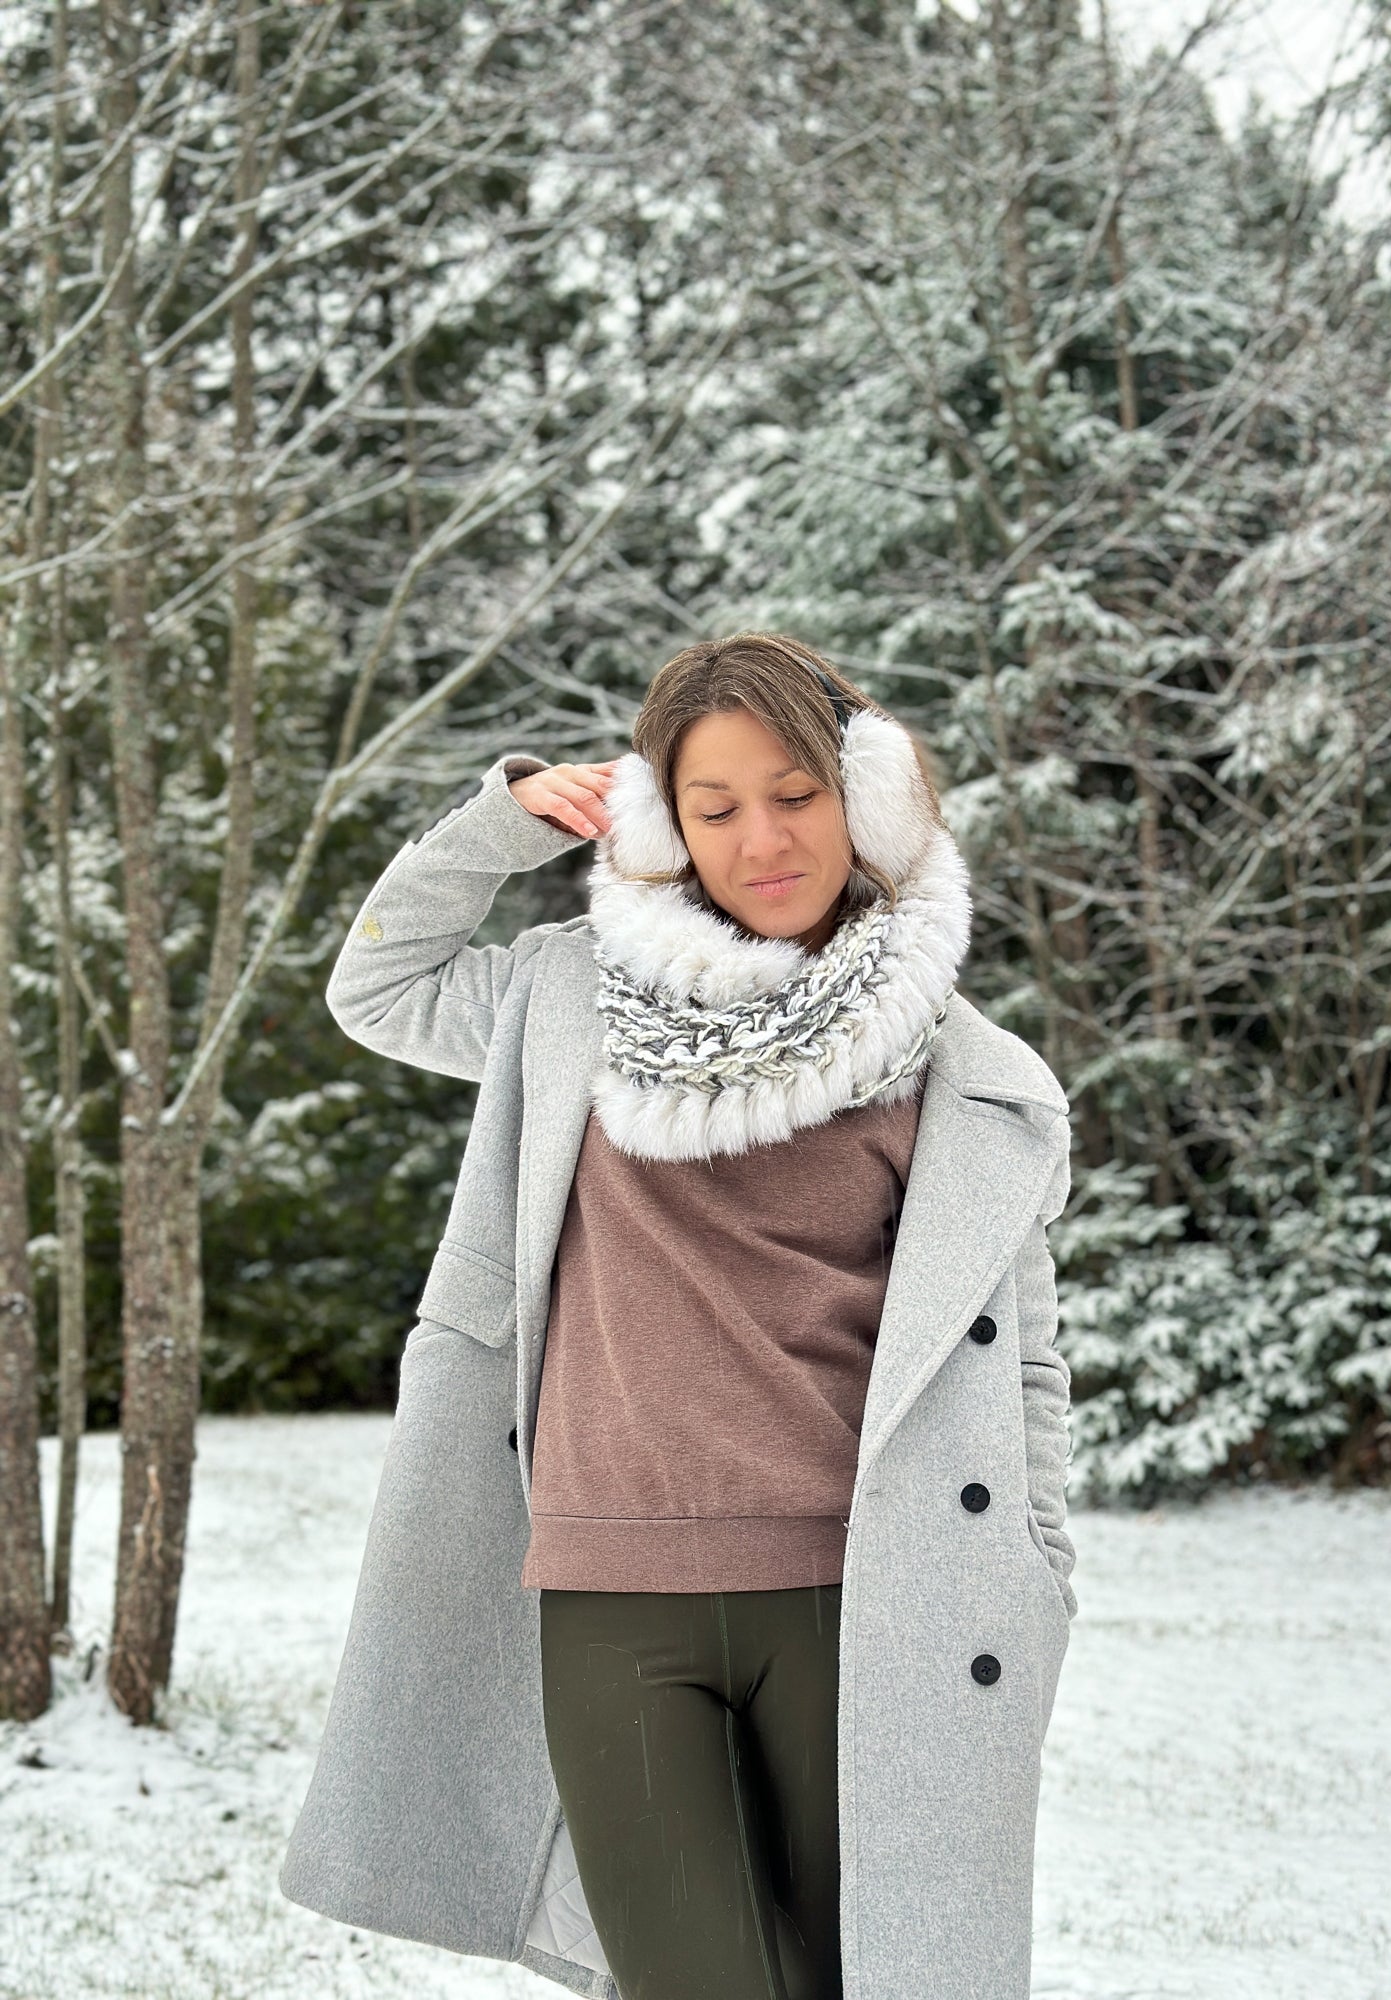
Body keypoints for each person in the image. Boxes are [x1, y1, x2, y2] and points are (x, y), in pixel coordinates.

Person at [279, 630, 1078, 2000]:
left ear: (864, 799)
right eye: (714, 808)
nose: (764, 839)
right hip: (610, 1603)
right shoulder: (568, 1000)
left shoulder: (955, 1073)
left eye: (796, 794)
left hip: (860, 1604)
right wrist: (502, 820)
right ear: (667, 824)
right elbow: (378, 985)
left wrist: (1040, 1564)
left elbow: (1026, 1368)